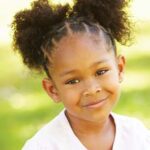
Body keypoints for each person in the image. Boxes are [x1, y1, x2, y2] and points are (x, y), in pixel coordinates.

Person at [11, 0, 150, 149]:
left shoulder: (138, 136)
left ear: (119, 68)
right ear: (53, 90)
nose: (91, 89)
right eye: (73, 81)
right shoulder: (42, 146)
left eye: (100, 72)